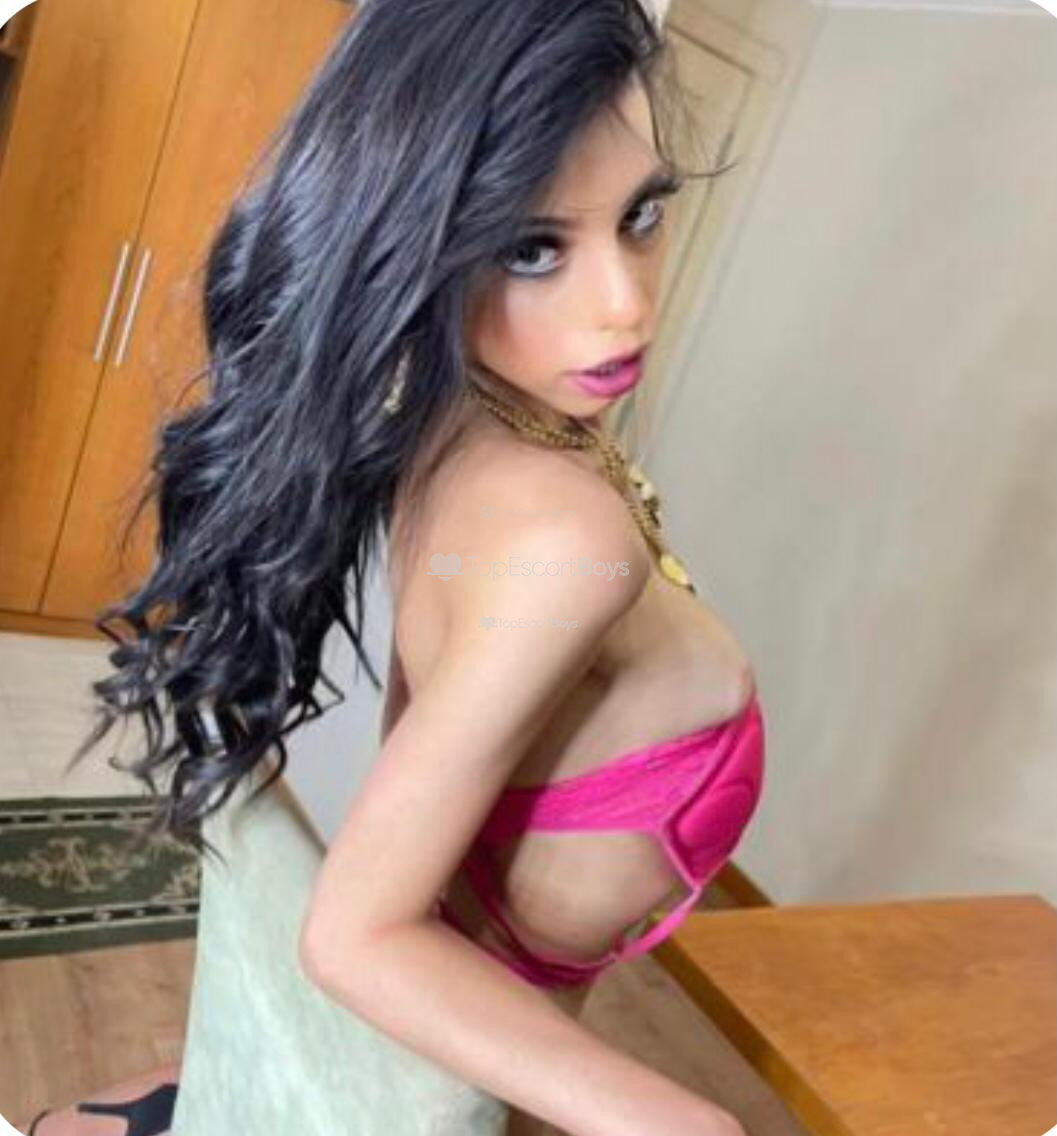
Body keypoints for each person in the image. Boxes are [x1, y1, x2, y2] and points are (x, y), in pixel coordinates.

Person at [28, 2, 764, 1133]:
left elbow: (424, 729)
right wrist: (692, 1122)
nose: (624, 305)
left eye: (641, 215)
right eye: (533, 248)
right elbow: (353, 933)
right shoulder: (561, 535)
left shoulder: (457, 421)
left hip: (476, 1019)